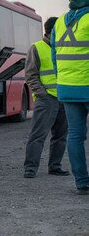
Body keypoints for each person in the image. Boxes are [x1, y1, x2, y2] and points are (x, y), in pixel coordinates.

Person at [51, 0, 89, 194]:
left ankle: (82, 182)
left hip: (67, 87)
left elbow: (55, 57)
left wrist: (62, 81)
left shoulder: (60, 21)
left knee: (75, 135)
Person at [23, 17, 69, 178]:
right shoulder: (36, 48)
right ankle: (30, 168)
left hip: (64, 98)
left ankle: (55, 166)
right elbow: (30, 75)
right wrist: (42, 93)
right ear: (50, 32)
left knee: (61, 135)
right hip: (47, 99)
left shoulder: (64, 47)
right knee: (38, 135)